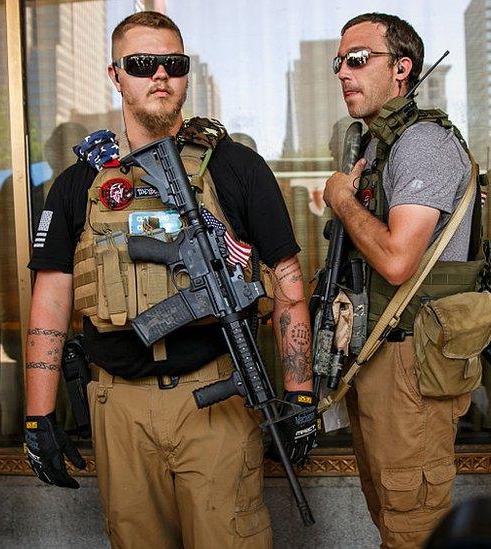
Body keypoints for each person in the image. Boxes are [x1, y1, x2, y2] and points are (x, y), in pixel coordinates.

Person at [23, 11, 313, 548]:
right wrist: (39, 415)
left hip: (216, 396)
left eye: (173, 64)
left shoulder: (236, 168)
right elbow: (51, 301)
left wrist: (299, 397)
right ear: (115, 75)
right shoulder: (78, 183)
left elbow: (288, 280)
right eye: (141, 64)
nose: (159, 75)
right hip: (119, 406)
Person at [323, 13, 480, 548]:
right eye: (339, 62)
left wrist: (342, 200)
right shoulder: (377, 145)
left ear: (402, 68)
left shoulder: (421, 143)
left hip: (411, 357)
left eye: (359, 59)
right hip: (380, 352)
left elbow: (396, 260)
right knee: (391, 515)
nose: (344, 72)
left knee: (414, 525)